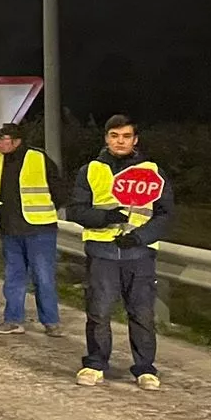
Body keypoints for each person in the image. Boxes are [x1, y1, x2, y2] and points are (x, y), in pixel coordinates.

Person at [67, 115, 174, 391]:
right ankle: (95, 364)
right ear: (106, 138)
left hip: (138, 254)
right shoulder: (89, 170)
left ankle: (145, 368)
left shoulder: (152, 172)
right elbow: (76, 210)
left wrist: (140, 237)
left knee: (141, 313)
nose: (120, 141)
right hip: (102, 251)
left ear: (135, 140)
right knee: (99, 312)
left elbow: (165, 215)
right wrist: (104, 218)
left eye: (126, 136)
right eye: (115, 136)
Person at [0, 122, 66, 337]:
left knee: (43, 277)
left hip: (39, 228)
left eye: (2, 139)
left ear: (16, 140)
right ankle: (13, 320)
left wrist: (49, 210)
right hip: (9, 229)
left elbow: (58, 189)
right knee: (13, 277)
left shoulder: (38, 157)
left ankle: (50, 321)